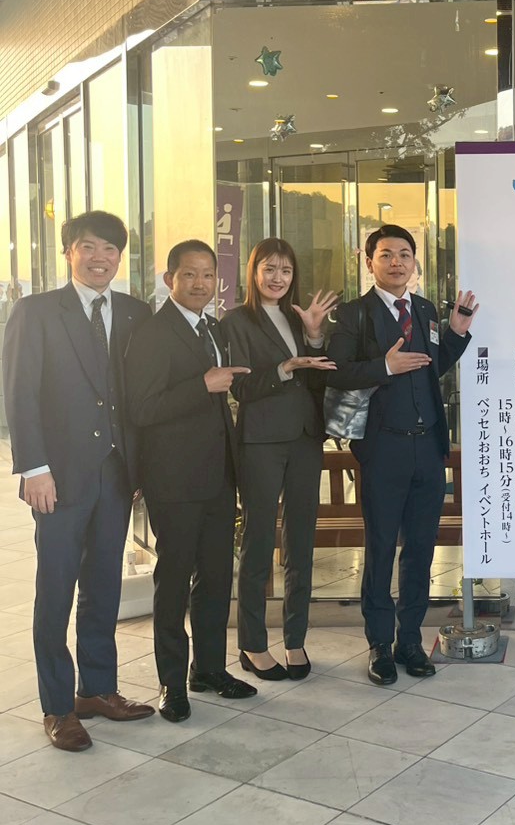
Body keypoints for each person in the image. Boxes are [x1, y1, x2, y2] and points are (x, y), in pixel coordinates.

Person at [3, 211, 155, 751]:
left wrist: (140, 467)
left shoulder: (135, 313)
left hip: (116, 475)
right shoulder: (37, 311)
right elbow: (19, 393)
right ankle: (58, 706)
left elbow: (139, 394)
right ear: (68, 252)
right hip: (59, 477)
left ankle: (97, 689)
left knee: (103, 585)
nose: (100, 258)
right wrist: (33, 469)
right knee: (56, 589)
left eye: (110, 249)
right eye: (88, 247)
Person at [327, 226, 476, 685]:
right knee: (380, 548)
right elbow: (337, 372)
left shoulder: (425, 310)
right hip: (383, 448)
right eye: (386, 254)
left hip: (428, 448)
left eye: (405, 254)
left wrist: (456, 334)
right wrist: (384, 366)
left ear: (414, 262)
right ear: (368, 261)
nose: (396, 262)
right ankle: (379, 644)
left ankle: (410, 640)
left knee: (421, 550)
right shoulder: (354, 314)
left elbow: (431, 368)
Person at [126, 240, 257, 721]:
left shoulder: (213, 328)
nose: (200, 283)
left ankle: (209, 670)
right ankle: (172, 682)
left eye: (207, 275)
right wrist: (201, 385)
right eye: (189, 274)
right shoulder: (151, 333)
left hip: (219, 476)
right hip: (174, 480)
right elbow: (143, 408)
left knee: (217, 578)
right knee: (174, 582)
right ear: (170, 280)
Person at [223, 239, 337, 681]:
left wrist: (314, 336)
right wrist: (284, 368)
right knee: (257, 543)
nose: (277, 278)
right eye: (269, 269)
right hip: (261, 442)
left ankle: (295, 639)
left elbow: (319, 378)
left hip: (305, 439)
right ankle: (252, 644)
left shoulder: (297, 316)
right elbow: (240, 387)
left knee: (300, 544)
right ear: (253, 272)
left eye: (285, 271)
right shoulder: (236, 321)